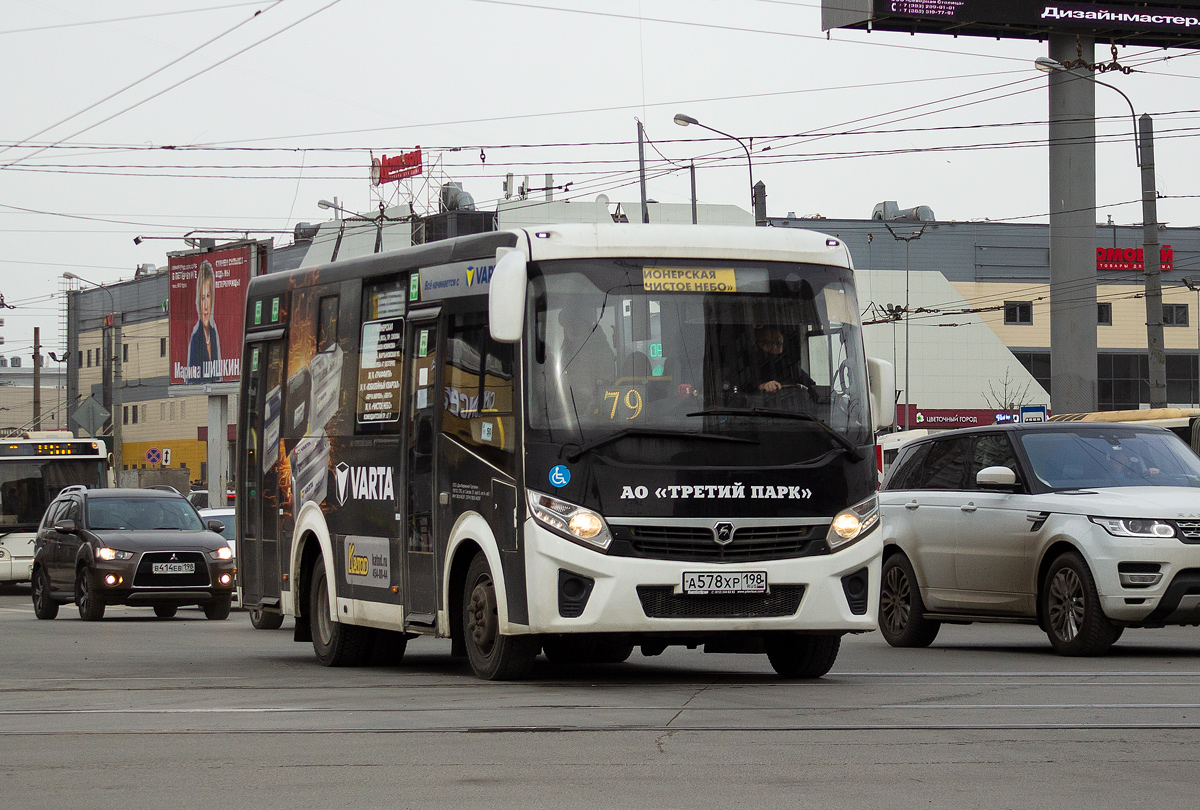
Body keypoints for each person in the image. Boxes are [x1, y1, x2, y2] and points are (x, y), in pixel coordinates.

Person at [556, 308, 616, 412]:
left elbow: (606, 385)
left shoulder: (602, 351)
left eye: (578, 323)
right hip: (568, 408)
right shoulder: (566, 353)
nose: (574, 327)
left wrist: (593, 403)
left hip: (594, 411)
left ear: (588, 326)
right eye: (570, 324)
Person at [743, 325, 816, 395]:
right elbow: (742, 390)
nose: (773, 347)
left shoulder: (791, 368)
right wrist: (762, 387)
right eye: (768, 343)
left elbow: (813, 389)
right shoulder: (748, 366)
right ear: (756, 345)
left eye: (778, 344)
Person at [186, 260, 221, 384]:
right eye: (202, 298)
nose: (206, 306)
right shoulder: (195, 339)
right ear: (197, 302)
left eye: (208, 296)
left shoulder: (213, 334)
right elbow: (191, 380)